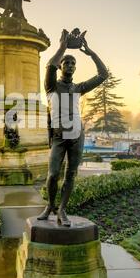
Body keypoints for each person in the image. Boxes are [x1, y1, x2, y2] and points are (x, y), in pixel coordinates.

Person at [38, 29, 108, 226]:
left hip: (77, 134)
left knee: (71, 174)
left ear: (75, 68)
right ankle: (50, 206)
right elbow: (49, 65)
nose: (69, 65)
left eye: (72, 63)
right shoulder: (52, 86)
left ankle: (62, 210)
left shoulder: (78, 88)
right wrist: (62, 47)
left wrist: (91, 52)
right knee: (53, 174)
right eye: (66, 62)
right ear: (61, 67)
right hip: (59, 136)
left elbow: (103, 74)